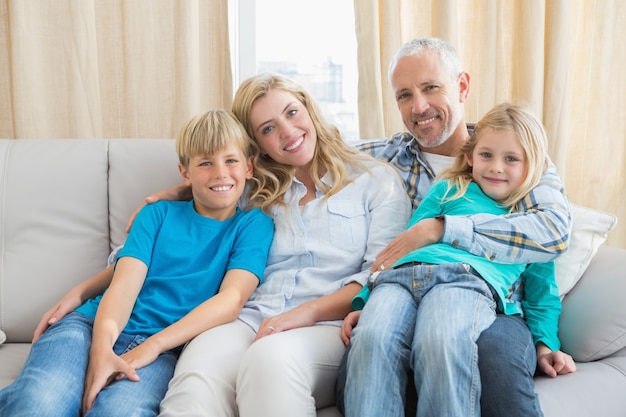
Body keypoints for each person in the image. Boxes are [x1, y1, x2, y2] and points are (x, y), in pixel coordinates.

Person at [32, 73, 412, 416]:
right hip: (249, 318)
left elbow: (379, 275)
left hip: (326, 324)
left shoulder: (376, 180)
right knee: (194, 380)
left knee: (271, 362)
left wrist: (309, 312)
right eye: (268, 128)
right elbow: (210, 197)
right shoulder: (259, 194)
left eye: (293, 113)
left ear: (309, 109)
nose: (287, 131)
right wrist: (176, 193)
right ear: (257, 147)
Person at [335, 37, 572, 417]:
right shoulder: (444, 179)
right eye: (404, 95)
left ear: (461, 87)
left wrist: (547, 343)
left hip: (469, 284)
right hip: (403, 281)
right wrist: (365, 299)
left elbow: (550, 251)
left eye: (431, 88)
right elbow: (401, 243)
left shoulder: (526, 171)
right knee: (370, 343)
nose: (419, 106)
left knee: (443, 340)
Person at [0, 109, 274, 417]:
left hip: (164, 349)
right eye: (205, 163)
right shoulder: (157, 214)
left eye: (231, 160)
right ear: (185, 172)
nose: (220, 173)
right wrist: (101, 349)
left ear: (249, 166)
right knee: (41, 403)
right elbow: (124, 287)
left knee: (119, 412)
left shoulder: (253, 225)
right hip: (90, 326)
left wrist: (153, 346)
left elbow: (231, 299)